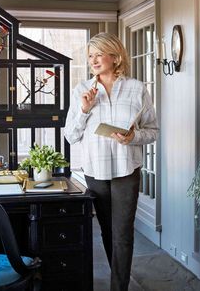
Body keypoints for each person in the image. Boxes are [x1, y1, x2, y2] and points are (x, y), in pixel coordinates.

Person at [64, 32, 158, 291]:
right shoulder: (82, 90)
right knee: (107, 231)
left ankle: (119, 286)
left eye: (99, 54)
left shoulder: (137, 88)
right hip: (96, 170)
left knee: (123, 233)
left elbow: (153, 130)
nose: (93, 60)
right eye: (90, 55)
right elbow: (71, 135)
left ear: (115, 57)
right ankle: (120, 277)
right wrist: (84, 110)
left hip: (126, 170)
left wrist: (132, 136)